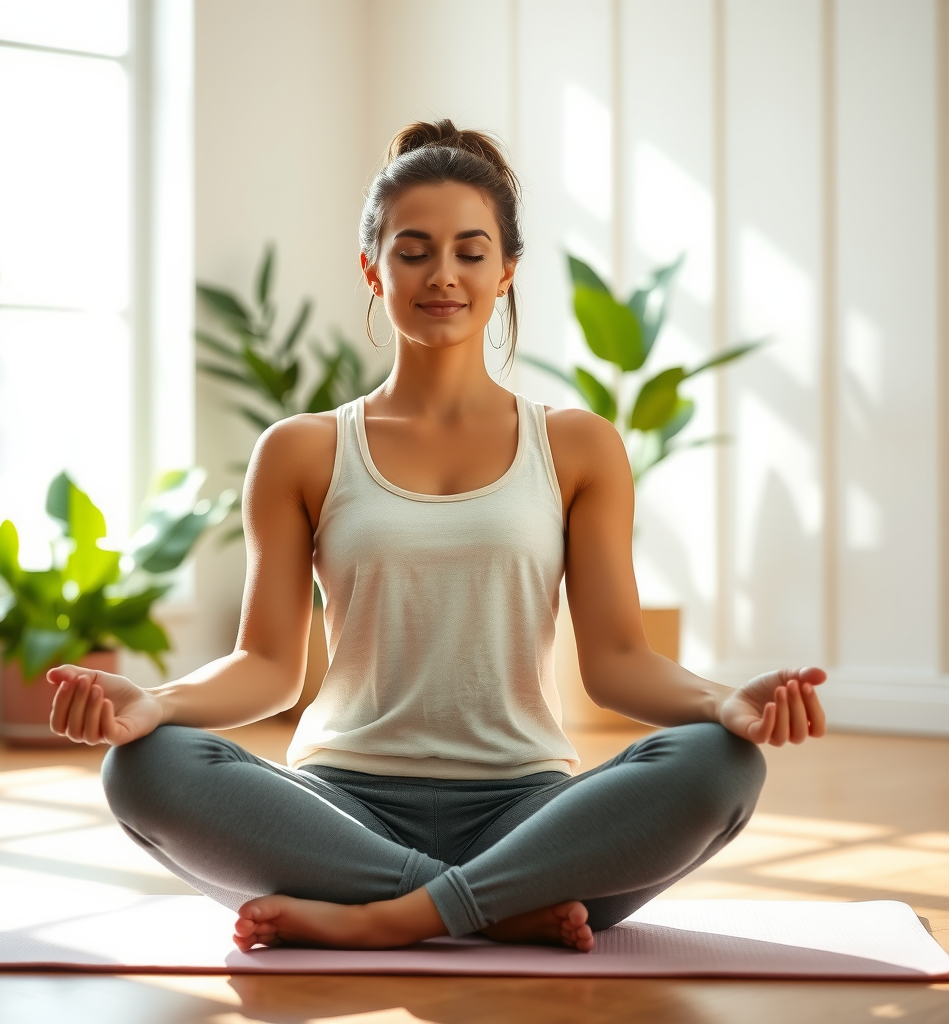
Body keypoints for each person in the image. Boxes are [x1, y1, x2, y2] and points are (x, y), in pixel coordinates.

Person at [47, 119, 826, 955]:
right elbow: (267, 667)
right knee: (144, 766)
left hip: (528, 809)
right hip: (343, 810)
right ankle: (492, 908)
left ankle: (389, 916)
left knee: (721, 763)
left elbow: (617, 662)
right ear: (372, 268)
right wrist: (156, 704)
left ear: (506, 270)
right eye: (413, 251)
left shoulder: (577, 445)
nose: (443, 275)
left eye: (470, 252)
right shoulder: (302, 450)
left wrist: (723, 704)